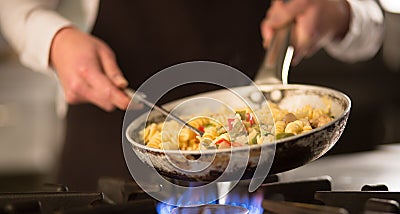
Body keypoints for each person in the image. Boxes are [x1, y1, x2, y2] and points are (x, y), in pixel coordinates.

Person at [0, 0, 384, 190]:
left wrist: (341, 11)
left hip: (254, 178)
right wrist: (55, 40)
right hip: (106, 163)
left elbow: (372, 18)